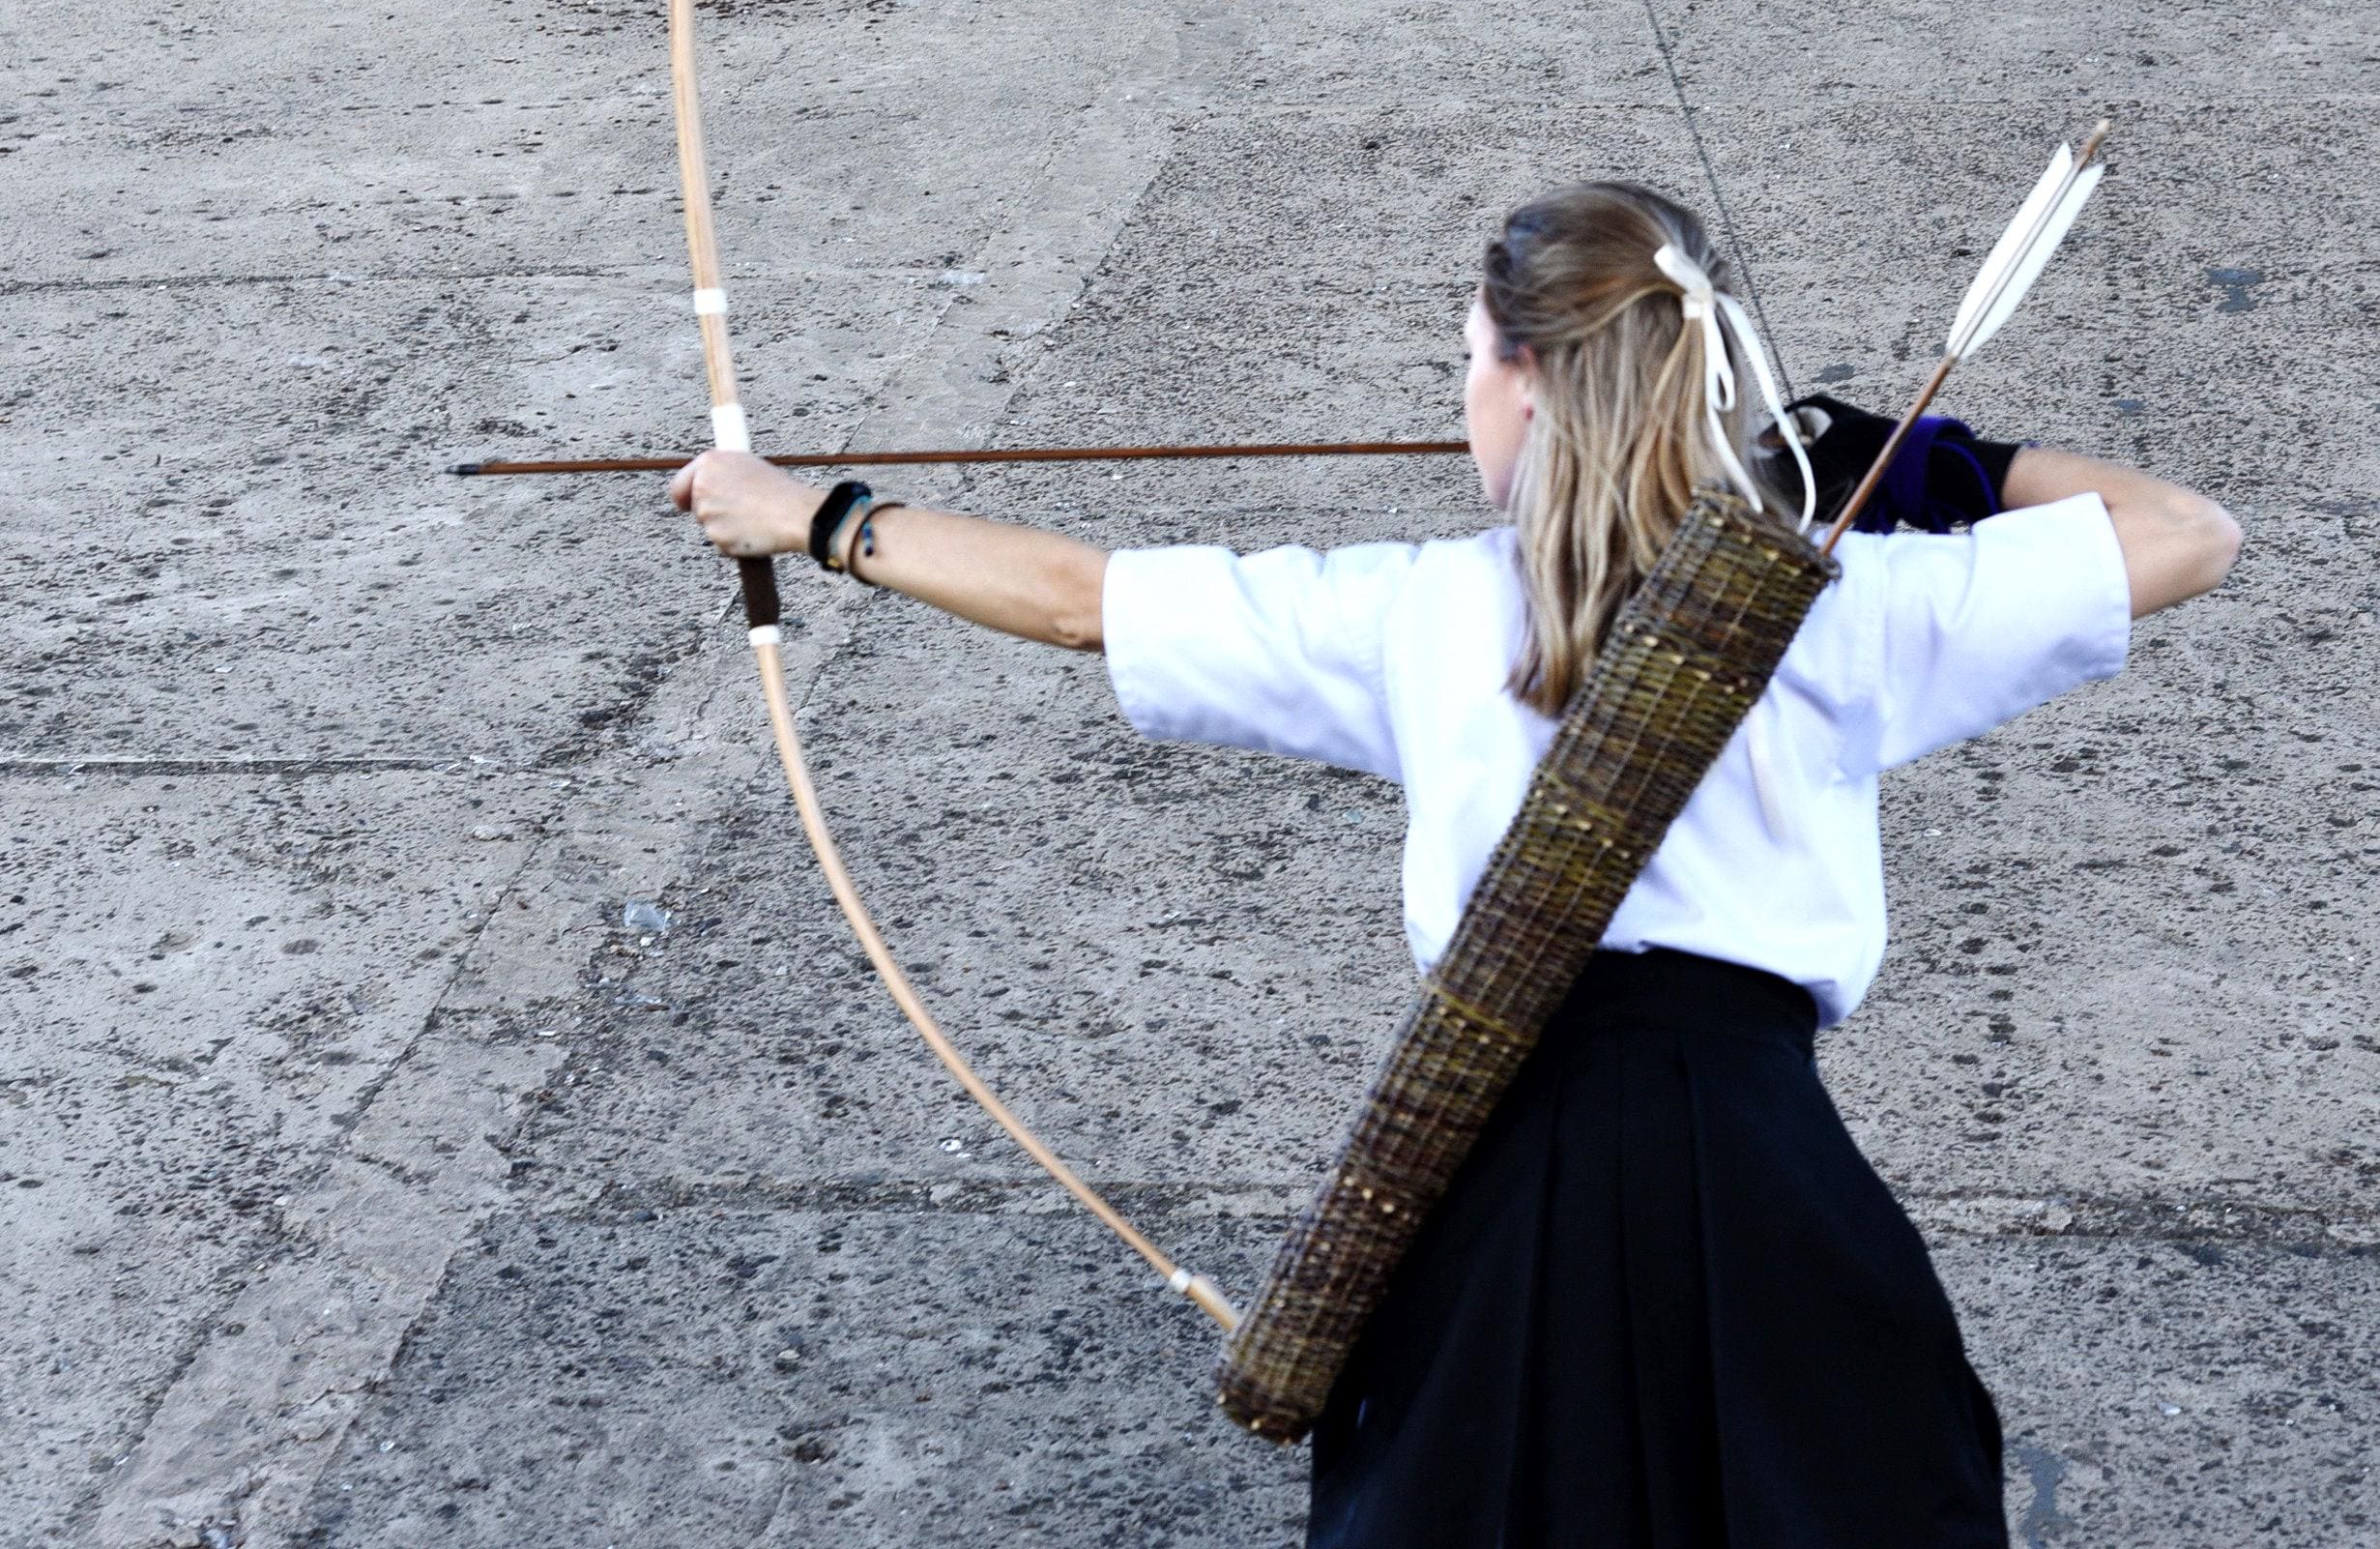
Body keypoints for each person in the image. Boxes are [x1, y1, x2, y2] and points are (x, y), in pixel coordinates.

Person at [673, 180, 2239, 1546]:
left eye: (1466, 364)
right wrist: (1913, 462)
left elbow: (1083, 598)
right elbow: (2181, 529)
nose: (1460, 402)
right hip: (1758, 1170)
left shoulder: (1413, 610)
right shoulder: (1849, 605)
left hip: (1499, 1162)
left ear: (1526, 381)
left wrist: (811, 515)